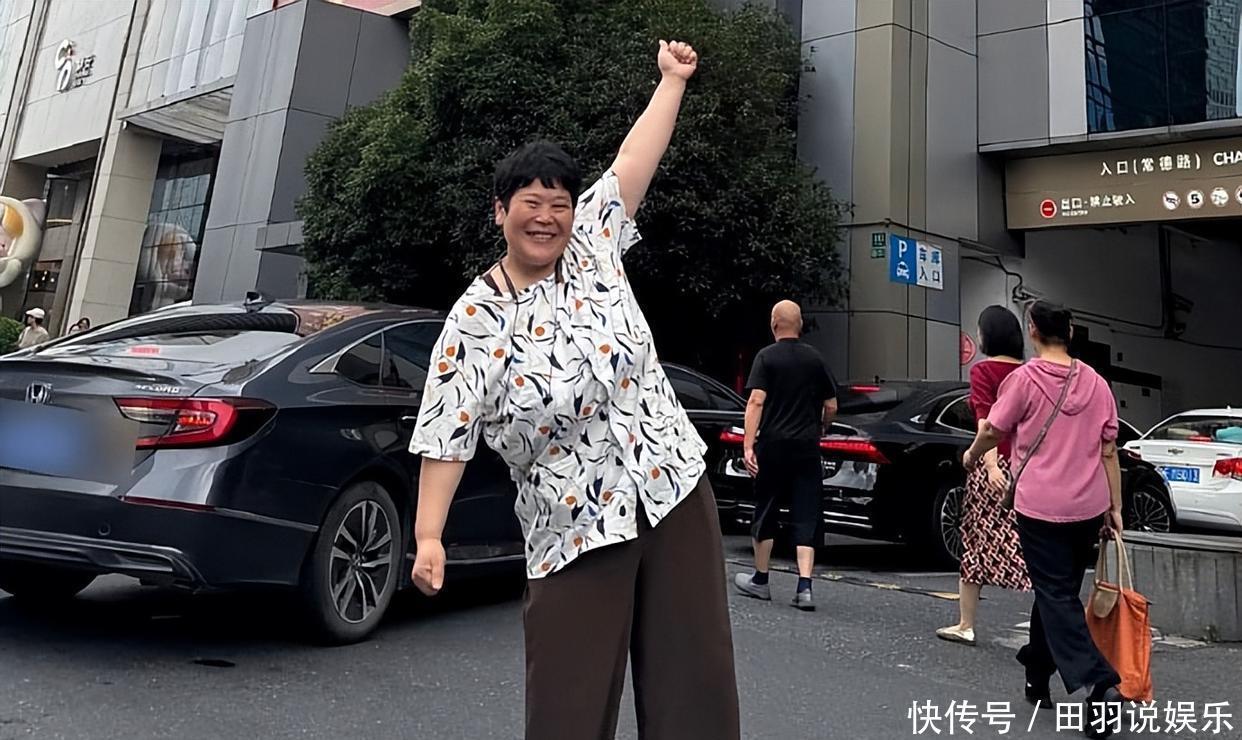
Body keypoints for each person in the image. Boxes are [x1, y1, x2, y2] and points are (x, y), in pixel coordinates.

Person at [407, 40, 740, 740]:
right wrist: (429, 534)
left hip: (671, 485)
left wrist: (672, 82)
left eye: (558, 204)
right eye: (531, 203)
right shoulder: (474, 319)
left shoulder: (591, 244)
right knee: (570, 703)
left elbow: (632, 162)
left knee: (695, 684)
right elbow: (446, 430)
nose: (547, 218)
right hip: (573, 522)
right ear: (500, 212)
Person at [963, 300, 1124, 739]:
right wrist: (1115, 507)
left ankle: (1097, 680)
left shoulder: (1023, 380)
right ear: (1069, 333)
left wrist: (972, 455)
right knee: (1059, 592)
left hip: (1039, 506)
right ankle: (1036, 671)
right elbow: (1109, 450)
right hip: (1087, 507)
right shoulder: (1097, 384)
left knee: (1054, 593)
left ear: (1032, 330)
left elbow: (992, 429)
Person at [733, 300, 837, 611]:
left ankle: (760, 580)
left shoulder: (766, 357)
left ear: (774, 324)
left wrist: (748, 445)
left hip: (773, 444)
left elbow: (756, 401)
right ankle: (805, 586)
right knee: (807, 511)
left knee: (766, 507)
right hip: (806, 445)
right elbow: (831, 404)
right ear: (800, 324)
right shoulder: (815, 358)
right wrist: (822, 427)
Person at [937, 306, 1032, 647]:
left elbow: (987, 423)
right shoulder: (1029, 372)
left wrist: (989, 465)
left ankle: (966, 624)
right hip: (1029, 466)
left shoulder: (983, 371)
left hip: (995, 464)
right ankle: (1048, 622)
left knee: (975, 543)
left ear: (987, 335)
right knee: (1032, 542)